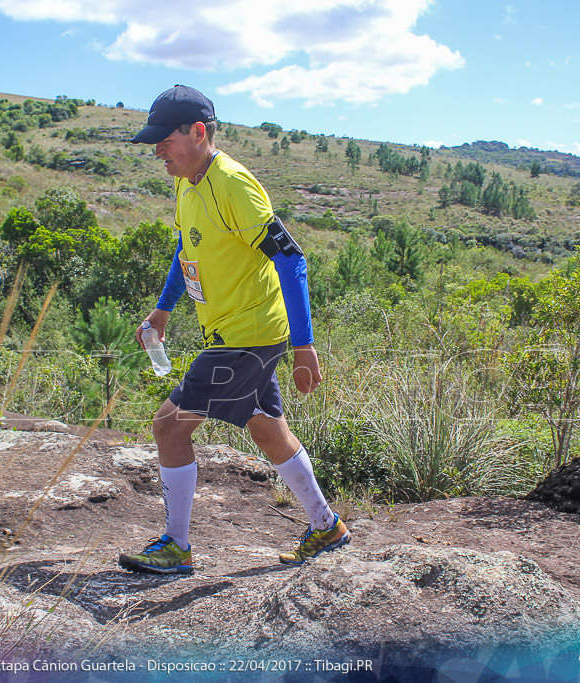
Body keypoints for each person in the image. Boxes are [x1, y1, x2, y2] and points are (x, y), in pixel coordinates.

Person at [118, 85, 348, 574]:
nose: (157, 149)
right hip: (233, 334)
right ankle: (327, 527)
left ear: (198, 133)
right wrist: (162, 311)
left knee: (168, 426)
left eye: (165, 139)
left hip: (249, 334)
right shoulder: (185, 182)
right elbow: (188, 252)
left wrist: (305, 346)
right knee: (267, 430)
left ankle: (177, 546)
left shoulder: (233, 185)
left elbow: (291, 257)